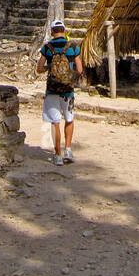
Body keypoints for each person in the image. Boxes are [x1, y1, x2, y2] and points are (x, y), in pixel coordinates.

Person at [36, 19, 83, 166]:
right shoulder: (72, 47)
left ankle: (57, 155)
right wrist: (69, 75)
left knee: (55, 122)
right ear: (64, 30)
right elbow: (80, 70)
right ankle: (68, 150)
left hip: (52, 89)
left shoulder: (47, 47)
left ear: (52, 31)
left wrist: (49, 68)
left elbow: (39, 68)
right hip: (67, 90)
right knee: (69, 119)